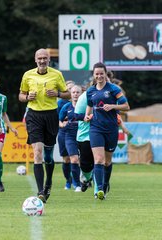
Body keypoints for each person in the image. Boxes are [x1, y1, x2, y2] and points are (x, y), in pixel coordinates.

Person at [19, 48, 70, 203]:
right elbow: (21, 96)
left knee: (48, 155)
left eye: (45, 58)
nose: (42, 61)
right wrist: (28, 97)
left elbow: (67, 94)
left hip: (51, 115)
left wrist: (58, 94)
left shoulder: (57, 74)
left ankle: (48, 182)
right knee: (38, 153)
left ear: (49, 60)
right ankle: (40, 191)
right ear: (35, 59)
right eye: (39, 58)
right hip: (34, 116)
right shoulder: (28, 75)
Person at [84, 63, 130, 200]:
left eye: (101, 73)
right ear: (93, 75)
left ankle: (105, 184)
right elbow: (89, 105)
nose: (99, 76)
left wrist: (113, 106)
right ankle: (99, 190)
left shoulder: (114, 89)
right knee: (98, 159)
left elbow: (126, 106)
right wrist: (87, 115)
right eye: (96, 74)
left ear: (105, 74)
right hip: (95, 128)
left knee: (107, 162)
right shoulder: (90, 91)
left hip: (111, 129)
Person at [59, 85, 83, 192]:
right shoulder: (66, 107)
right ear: (71, 94)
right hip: (70, 136)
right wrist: (62, 125)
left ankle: (86, 180)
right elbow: (59, 120)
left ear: (81, 93)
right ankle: (75, 183)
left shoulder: (85, 106)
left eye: (77, 92)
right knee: (73, 159)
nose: (75, 94)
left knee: (85, 161)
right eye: (73, 92)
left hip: (83, 135)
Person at [57, 80, 76, 190]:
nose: (71, 91)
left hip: (77, 132)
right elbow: (56, 119)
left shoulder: (80, 102)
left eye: (72, 89)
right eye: (68, 89)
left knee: (77, 158)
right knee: (66, 159)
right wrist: (62, 122)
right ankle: (68, 180)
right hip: (63, 132)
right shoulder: (60, 103)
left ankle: (77, 179)